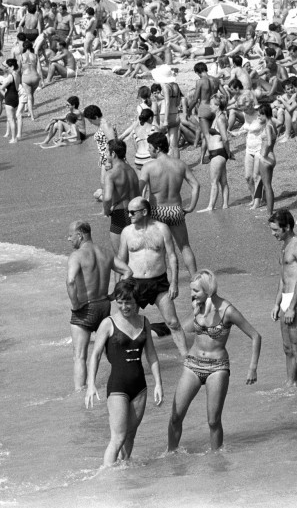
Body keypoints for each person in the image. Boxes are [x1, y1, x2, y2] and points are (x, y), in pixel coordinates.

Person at [168, 270, 261, 452]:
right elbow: (179, 328)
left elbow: (256, 336)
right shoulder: (198, 305)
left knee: (213, 421)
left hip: (217, 368)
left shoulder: (228, 310)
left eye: (195, 291)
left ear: (208, 290)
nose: (192, 295)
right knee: (175, 416)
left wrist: (253, 368)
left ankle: (217, 460)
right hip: (192, 364)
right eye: (192, 291)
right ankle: (170, 455)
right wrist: (184, 351)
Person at [85, 279, 163, 466]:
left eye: (128, 302)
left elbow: (151, 355)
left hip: (140, 388)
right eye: (120, 302)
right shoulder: (108, 323)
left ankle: (124, 479)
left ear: (136, 301)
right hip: (118, 387)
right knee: (118, 438)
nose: (124, 306)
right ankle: (107, 478)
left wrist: (159, 384)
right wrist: (90, 384)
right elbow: (95, 355)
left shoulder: (144, 322)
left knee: (130, 436)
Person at [118, 197, 189, 357]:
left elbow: (172, 256)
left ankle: (187, 359)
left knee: (173, 322)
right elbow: (121, 262)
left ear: (144, 212)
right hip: (134, 283)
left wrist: (174, 283)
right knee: (129, 324)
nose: (129, 215)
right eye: (127, 212)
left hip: (159, 283)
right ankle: (131, 358)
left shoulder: (162, 228)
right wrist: (119, 288)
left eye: (132, 212)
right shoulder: (127, 232)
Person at [67, 221, 132, 391]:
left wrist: (75, 304)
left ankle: (80, 392)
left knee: (80, 356)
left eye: (70, 235)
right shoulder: (105, 252)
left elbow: (71, 281)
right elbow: (127, 271)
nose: (68, 239)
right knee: (110, 351)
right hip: (104, 305)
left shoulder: (77, 256)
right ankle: (124, 380)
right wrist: (115, 294)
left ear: (80, 235)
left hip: (85, 308)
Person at [139, 132, 199, 276]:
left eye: (150, 147)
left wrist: (141, 213)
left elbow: (138, 192)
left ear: (158, 148)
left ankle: (164, 283)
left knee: (159, 250)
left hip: (157, 212)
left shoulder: (148, 167)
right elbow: (196, 185)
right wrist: (191, 207)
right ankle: (195, 279)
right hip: (175, 210)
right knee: (184, 246)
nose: (148, 150)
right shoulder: (180, 164)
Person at [269, 209, 297, 388]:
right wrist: (277, 303)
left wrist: (292, 307)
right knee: (287, 348)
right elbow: (283, 277)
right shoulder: (284, 246)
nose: (273, 234)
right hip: (286, 298)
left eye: (275, 230)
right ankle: (290, 384)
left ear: (286, 227)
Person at [103, 139, 140, 254]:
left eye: (106, 151)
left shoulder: (111, 174)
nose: (105, 154)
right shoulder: (132, 171)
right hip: (134, 212)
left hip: (119, 214)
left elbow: (108, 197)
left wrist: (106, 210)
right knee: (134, 254)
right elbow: (138, 195)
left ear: (113, 154)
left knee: (120, 257)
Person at [197, 94, 231, 213]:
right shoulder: (218, 117)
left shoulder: (221, 119)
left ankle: (210, 206)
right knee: (223, 181)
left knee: (214, 182)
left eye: (211, 104)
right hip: (217, 153)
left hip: (218, 153)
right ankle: (225, 206)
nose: (210, 106)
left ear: (217, 106)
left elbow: (225, 138)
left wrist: (229, 153)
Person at [0, 58, 21, 143]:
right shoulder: (17, 74)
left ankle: (14, 138)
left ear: (12, 67)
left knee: (11, 119)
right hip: (16, 97)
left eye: (8, 67)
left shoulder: (10, 76)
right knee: (13, 119)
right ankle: (14, 136)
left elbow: (2, 87)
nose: (7, 69)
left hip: (9, 97)